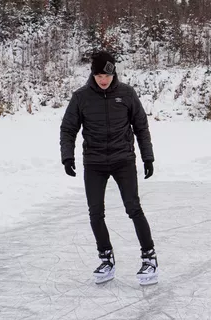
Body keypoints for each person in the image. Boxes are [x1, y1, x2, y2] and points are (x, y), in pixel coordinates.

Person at [60, 50, 158, 285]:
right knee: (95, 213)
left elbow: (141, 127)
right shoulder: (81, 97)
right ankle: (106, 258)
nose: (103, 80)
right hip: (94, 162)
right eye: (98, 75)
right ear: (92, 74)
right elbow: (68, 128)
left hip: (123, 159)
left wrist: (148, 157)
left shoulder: (127, 94)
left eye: (107, 75)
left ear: (114, 73)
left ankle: (149, 258)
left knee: (133, 208)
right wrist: (67, 156)